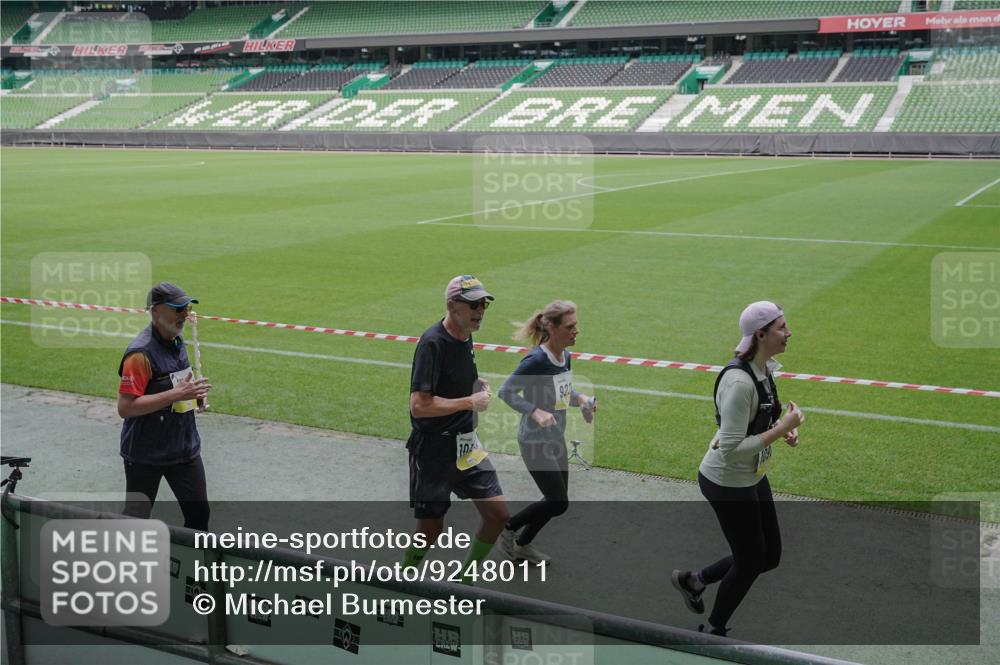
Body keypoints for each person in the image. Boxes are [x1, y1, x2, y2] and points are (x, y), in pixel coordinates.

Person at [671, 301, 805, 637]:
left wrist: (782, 428)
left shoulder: (764, 368)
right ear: (760, 334)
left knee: (768, 556)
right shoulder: (739, 382)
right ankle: (712, 631)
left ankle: (694, 580)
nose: (789, 333)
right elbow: (731, 451)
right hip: (726, 481)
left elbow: (756, 418)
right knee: (750, 561)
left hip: (751, 474)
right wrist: (780, 428)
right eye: (782, 327)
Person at [402, 275, 509, 584]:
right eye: (473, 305)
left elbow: (452, 381)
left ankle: (465, 579)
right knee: (431, 529)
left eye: (484, 304)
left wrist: (475, 385)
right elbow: (419, 406)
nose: (480, 311)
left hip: (466, 444)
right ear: (452, 306)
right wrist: (470, 401)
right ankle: (403, 578)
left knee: (498, 516)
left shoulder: (465, 334)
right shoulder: (433, 343)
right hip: (434, 449)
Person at [497, 300, 596, 565]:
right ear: (551, 327)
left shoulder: (565, 356)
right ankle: (508, 528)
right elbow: (505, 392)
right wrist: (534, 411)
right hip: (534, 441)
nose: (576, 331)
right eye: (570, 327)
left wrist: (582, 400)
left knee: (555, 500)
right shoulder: (536, 360)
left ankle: (522, 546)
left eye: (576, 325)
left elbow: (562, 395)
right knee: (557, 502)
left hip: (555, 437)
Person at [118, 282, 212, 530]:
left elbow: (177, 384)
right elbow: (125, 408)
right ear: (155, 312)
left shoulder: (176, 340)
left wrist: (192, 395)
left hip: (183, 448)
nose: (185, 314)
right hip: (145, 453)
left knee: (199, 515)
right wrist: (175, 394)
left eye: (187, 308)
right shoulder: (140, 354)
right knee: (136, 518)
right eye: (178, 308)